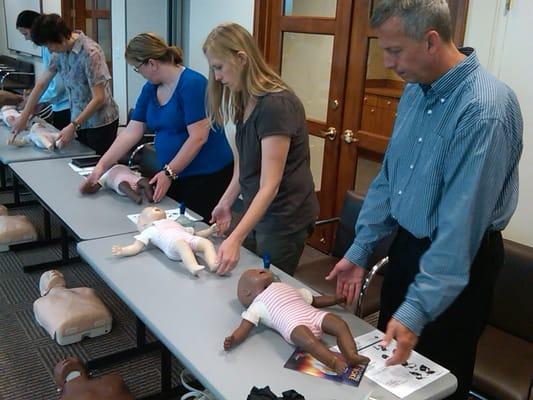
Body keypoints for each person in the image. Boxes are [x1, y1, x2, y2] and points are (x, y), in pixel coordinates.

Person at [325, 1, 523, 399]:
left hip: (460, 263)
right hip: (408, 249)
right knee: (392, 374)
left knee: (439, 382)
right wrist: (362, 248)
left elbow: (460, 227)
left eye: (395, 50)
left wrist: (418, 308)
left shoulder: (484, 109)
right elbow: (389, 178)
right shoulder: (416, 90)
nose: (387, 62)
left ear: (431, 40)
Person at [203, 23, 319, 276]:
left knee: (267, 288)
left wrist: (235, 238)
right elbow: (245, 165)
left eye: (219, 68)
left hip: (284, 217)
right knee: (242, 275)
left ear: (241, 58)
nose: (218, 77)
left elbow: (270, 184)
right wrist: (226, 203)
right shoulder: (244, 99)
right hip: (258, 209)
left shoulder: (276, 105)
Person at [81, 33, 233, 219]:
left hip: (206, 175)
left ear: (151, 64)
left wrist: (169, 173)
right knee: (172, 222)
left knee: (195, 226)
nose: (140, 73)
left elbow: (198, 137)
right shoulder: (150, 88)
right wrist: (101, 166)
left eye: (138, 68)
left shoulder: (193, 84)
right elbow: (132, 131)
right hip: (174, 173)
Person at [224, 268, 369, 374]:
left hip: (313, 314)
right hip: (294, 326)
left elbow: (315, 301)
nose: (260, 270)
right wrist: (234, 339)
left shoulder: (286, 287)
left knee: (340, 324)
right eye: (255, 273)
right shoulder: (257, 305)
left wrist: (336, 299)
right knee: (310, 342)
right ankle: (334, 362)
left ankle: (351, 355)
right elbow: (244, 328)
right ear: (246, 293)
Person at [11, 13, 119, 155]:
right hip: (78, 120)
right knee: (77, 164)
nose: (49, 50)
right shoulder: (60, 52)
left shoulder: (90, 53)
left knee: (95, 167)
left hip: (99, 123)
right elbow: (42, 84)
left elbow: (99, 98)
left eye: (48, 45)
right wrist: (24, 117)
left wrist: (74, 125)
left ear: (60, 38)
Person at [111, 206, 218, 276]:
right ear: (143, 224)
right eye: (149, 210)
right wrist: (123, 250)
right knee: (183, 245)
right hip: (174, 246)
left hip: (189, 239)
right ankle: (192, 266)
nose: (154, 207)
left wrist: (209, 231)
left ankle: (213, 263)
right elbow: (135, 247)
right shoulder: (149, 230)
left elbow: (196, 234)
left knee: (207, 243)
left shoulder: (175, 223)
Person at [15, 10, 71, 130]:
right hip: (59, 104)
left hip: (66, 105)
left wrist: (35, 101)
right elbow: (43, 82)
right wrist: (33, 99)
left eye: (25, 34)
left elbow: (58, 86)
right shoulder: (48, 48)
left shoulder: (54, 48)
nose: (26, 38)